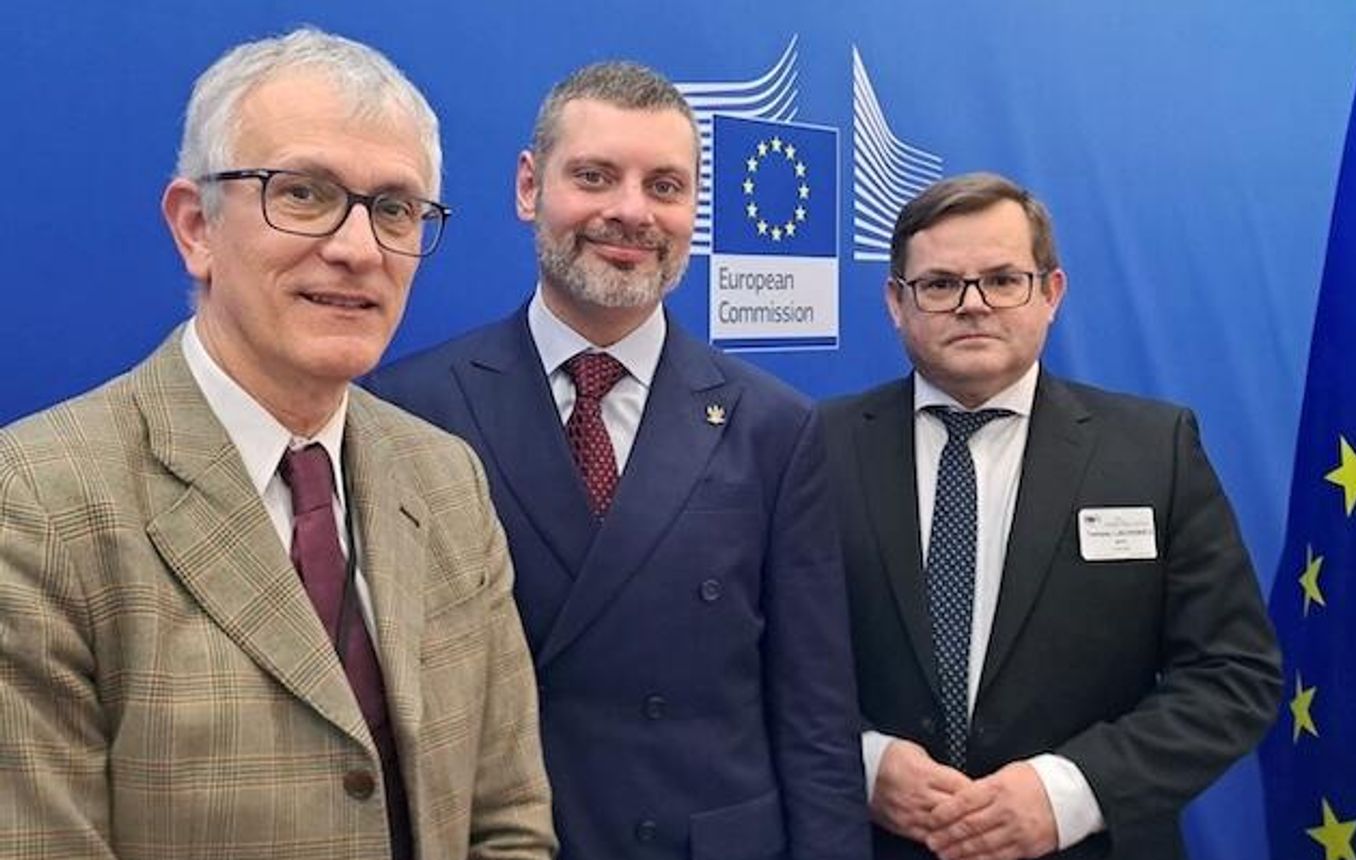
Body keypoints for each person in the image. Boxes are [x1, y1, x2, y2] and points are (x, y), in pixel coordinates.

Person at [0, 28, 555, 860]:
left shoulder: (446, 479)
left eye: (394, 209)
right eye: (302, 193)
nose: (357, 249)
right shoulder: (38, 503)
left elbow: (507, 819)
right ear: (196, 226)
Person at [364, 61, 869, 860]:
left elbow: (816, 716)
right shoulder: (406, 408)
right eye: (595, 177)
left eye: (665, 186)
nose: (632, 212)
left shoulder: (774, 426)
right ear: (529, 187)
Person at [820, 172, 1282, 859]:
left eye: (1003, 280)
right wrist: (860, 763)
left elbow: (1234, 674)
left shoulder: (1155, 451)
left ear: (1051, 292)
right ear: (896, 302)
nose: (972, 305)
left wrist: (1071, 792)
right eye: (940, 284)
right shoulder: (816, 448)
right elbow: (761, 658)